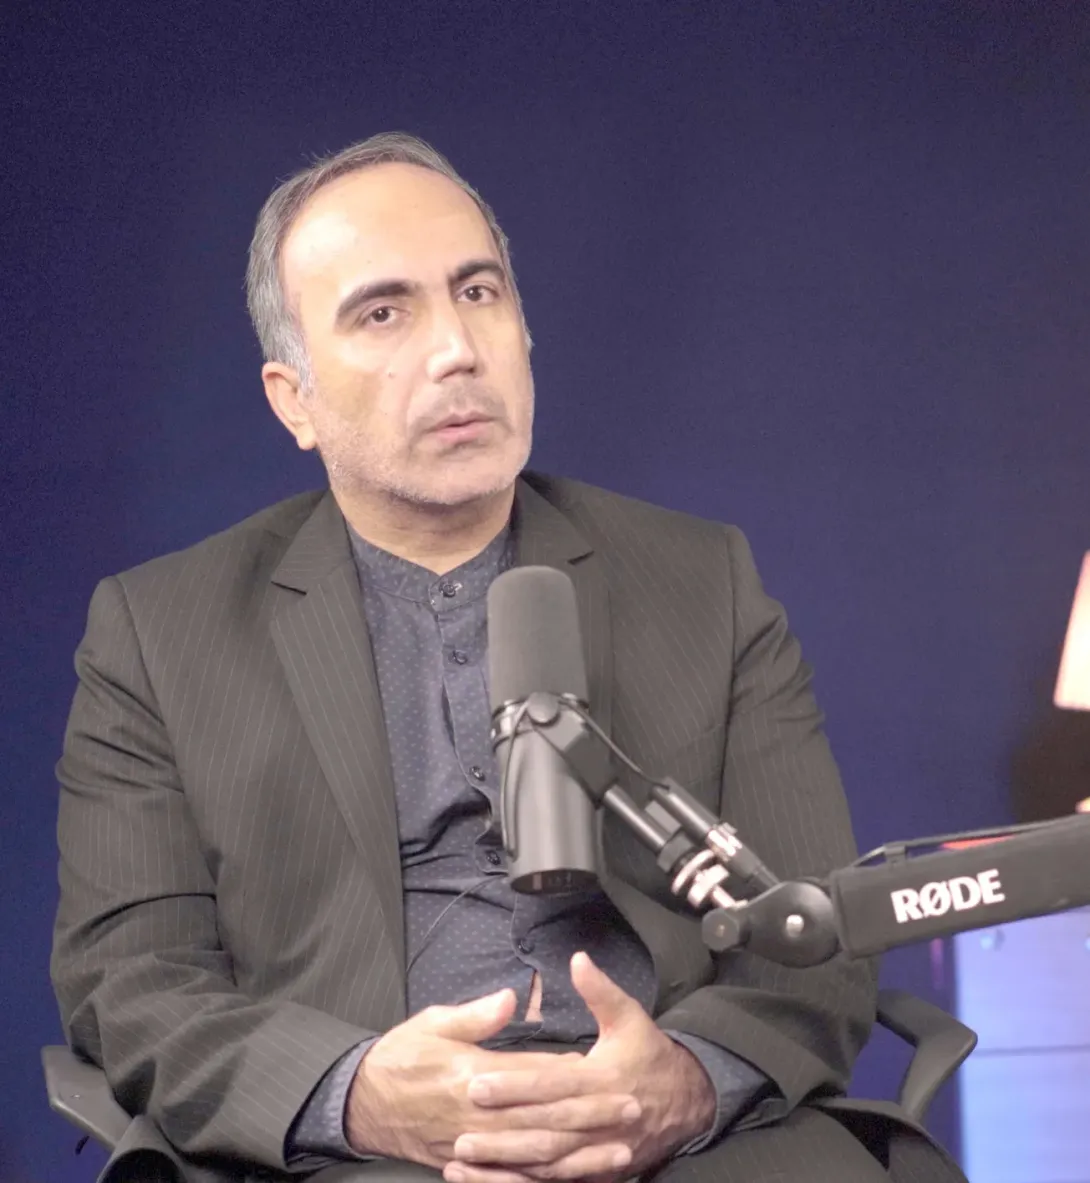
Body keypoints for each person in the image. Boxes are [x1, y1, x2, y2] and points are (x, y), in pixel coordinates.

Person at [51, 133, 963, 1183]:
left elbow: (814, 938)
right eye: (383, 313)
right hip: (354, 1155)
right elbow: (133, 982)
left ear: (524, 329)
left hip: (689, 1140)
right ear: (292, 398)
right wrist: (356, 1094)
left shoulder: (703, 579)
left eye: (478, 292)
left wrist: (684, 1081)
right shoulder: (160, 632)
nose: (456, 349)